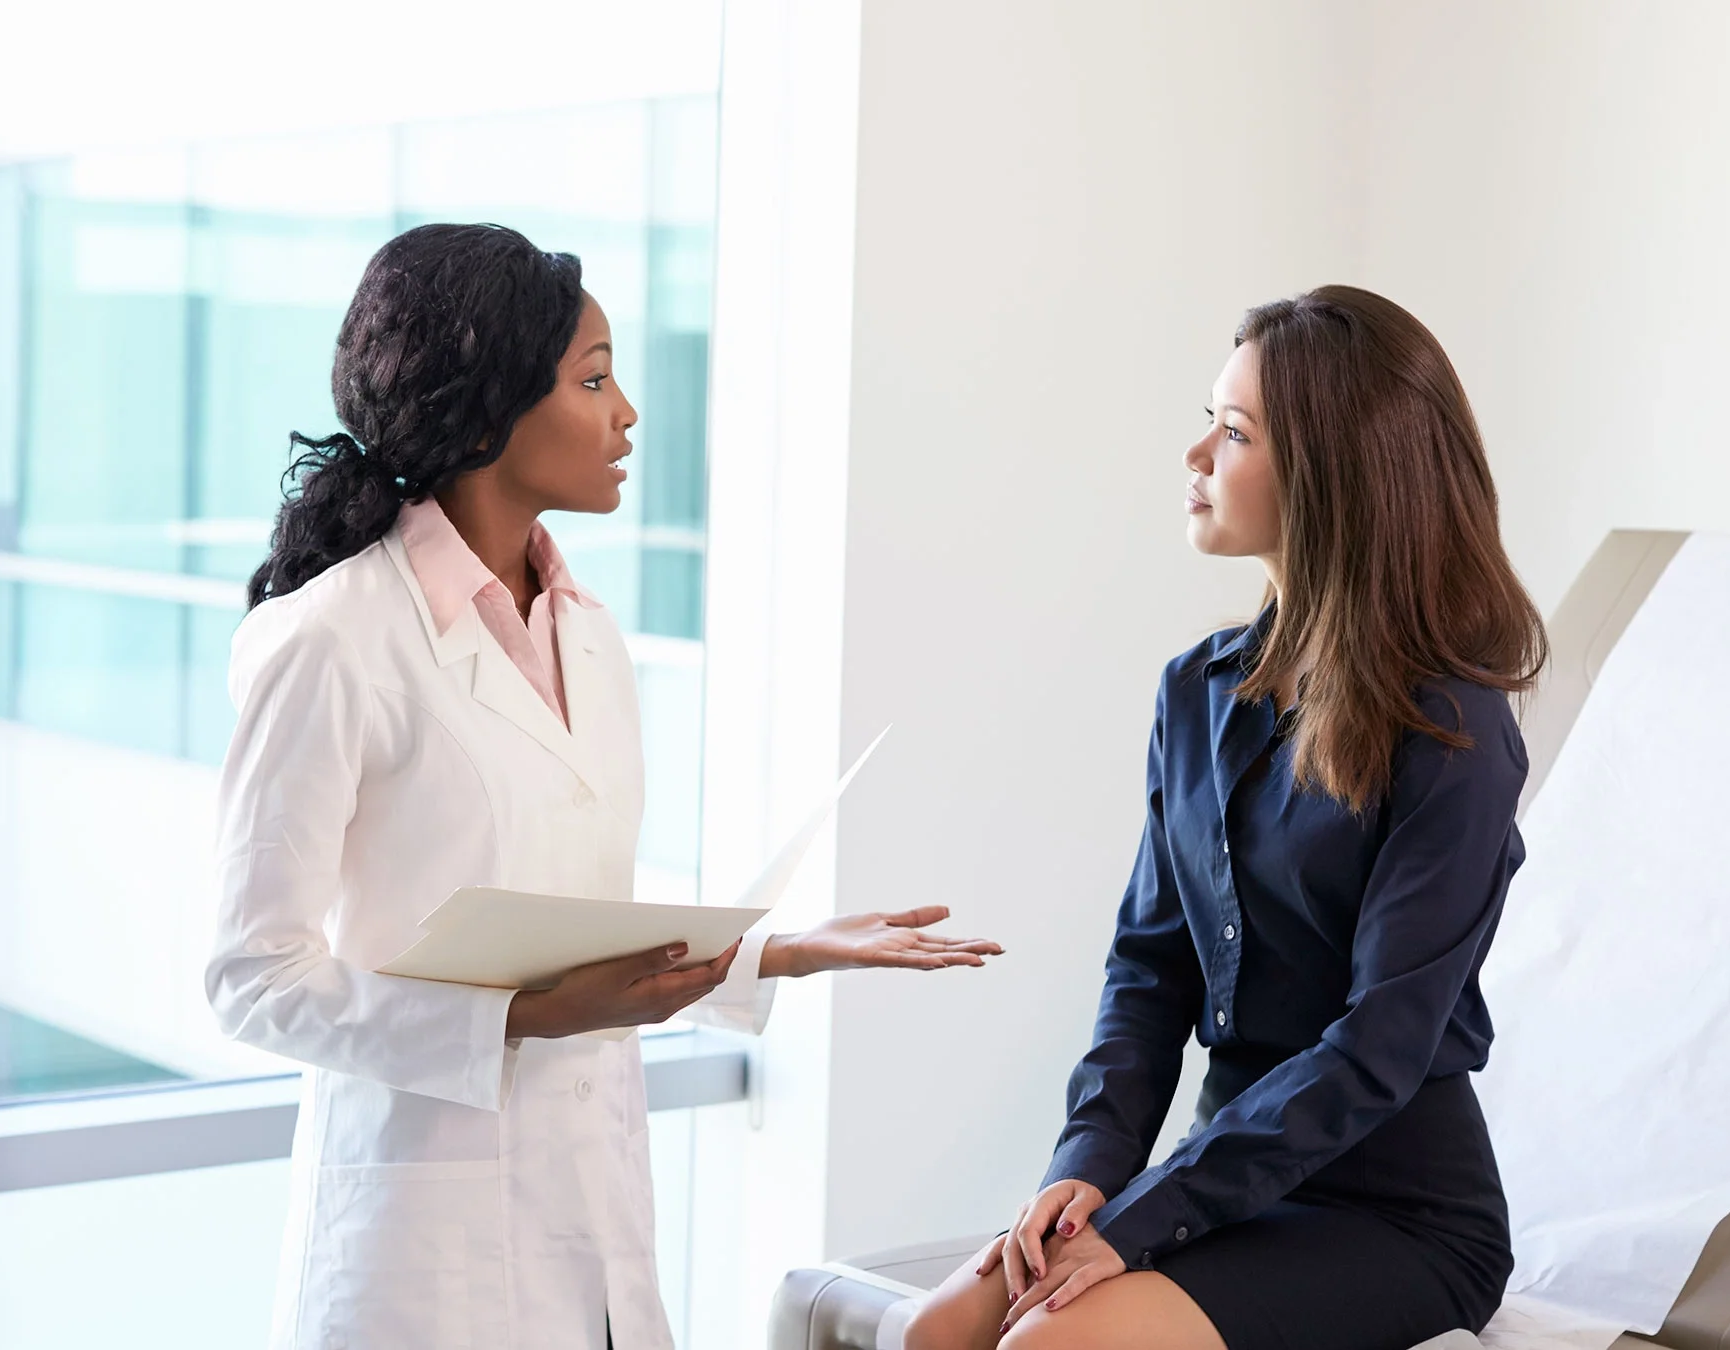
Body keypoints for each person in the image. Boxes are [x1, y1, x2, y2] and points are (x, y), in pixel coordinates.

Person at [206, 222, 1002, 1350]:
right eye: (592, 379)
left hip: (595, 1226)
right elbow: (252, 977)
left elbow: (565, 922)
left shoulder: (588, 635)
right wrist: (522, 1020)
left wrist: (777, 950)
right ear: (484, 410)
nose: (627, 413)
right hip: (421, 1259)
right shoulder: (334, 639)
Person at [903, 286, 1546, 1350]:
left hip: (1400, 1217)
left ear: (1333, 473)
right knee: (939, 1331)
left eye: (1235, 431)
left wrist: (1155, 1212)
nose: (1197, 453)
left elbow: (1378, 1048)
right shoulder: (1196, 692)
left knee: (1047, 1344)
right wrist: (1089, 1174)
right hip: (1226, 1181)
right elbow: (1148, 974)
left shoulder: (1454, 734)